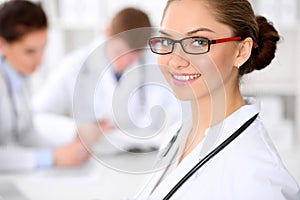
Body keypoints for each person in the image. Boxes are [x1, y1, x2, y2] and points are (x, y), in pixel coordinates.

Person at [135, 0, 300, 199]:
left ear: (241, 52)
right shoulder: (179, 133)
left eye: (198, 42)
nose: (175, 60)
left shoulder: (258, 179)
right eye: (168, 42)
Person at [33, 7, 181, 153]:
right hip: (92, 158)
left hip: (146, 155)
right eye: (119, 52)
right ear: (107, 33)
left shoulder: (156, 66)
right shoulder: (74, 66)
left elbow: (182, 112)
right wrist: (76, 130)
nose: (125, 62)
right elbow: (37, 117)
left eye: (134, 56)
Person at [0, 0, 91, 171]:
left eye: (43, 49)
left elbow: (26, 134)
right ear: (2, 44)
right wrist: (50, 157)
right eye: (30, 51)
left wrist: (67, 149)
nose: (39, 60)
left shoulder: (18, 74)